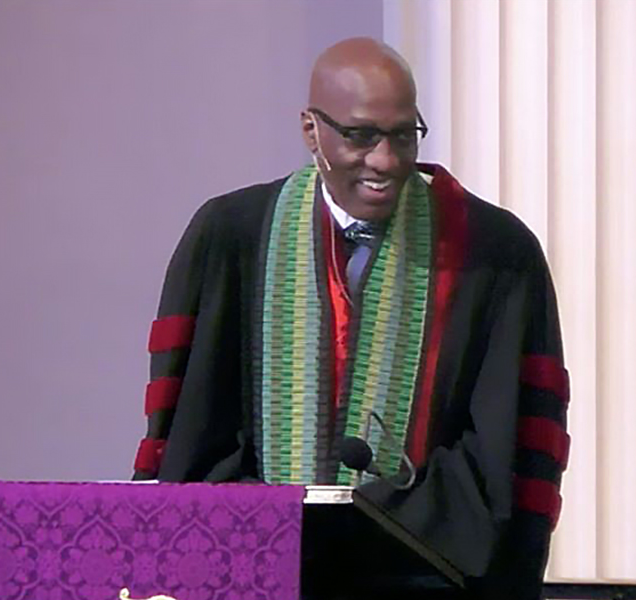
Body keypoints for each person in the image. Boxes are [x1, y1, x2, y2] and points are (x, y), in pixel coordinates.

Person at [132, 37, 569, 600]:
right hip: (254, 574)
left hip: (423, 577)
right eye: (360, 136)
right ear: (312, 130)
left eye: (403, 134)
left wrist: (382, 523)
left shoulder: (495, 254)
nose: (384, 161)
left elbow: (512, 452)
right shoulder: (229, 237)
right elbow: (189, 428)